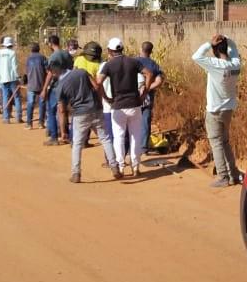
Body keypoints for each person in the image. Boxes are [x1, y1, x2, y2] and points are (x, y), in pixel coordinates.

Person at [55, 64, 122, 183]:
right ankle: (114, 167)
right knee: (105, 139)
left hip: (79, 114)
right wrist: (103, 99)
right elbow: (96, 86)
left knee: (77, 144)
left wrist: (63, 131)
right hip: (96, 109)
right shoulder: (81, 72)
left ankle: (76, 173)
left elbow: (61, 110)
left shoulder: (60, 86)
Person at [97, 38, 152, 176]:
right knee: (135, 136)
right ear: (122, 49)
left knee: (119, 137)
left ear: (110, 51)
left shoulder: (108, 65)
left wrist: (106, 98)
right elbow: (149, 74)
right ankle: (135, 167)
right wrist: (144, 93)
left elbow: (98, 82)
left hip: (117, 106)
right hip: (134, 104)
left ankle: (121, 167)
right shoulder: (133, 62)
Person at [193, 34, 242, 187]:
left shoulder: (214, 64)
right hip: (228, 109)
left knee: (216, 143)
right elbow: (234, 48)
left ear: (215, 50)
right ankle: (233, 173)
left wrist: (209, 43)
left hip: (214, 111)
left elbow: (196, 56)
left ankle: (223, 176)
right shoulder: (235, 64)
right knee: (225, 141)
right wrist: (226, 39)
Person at [41, 35, 73, 146]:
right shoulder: (67, 54)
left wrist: (44, 89)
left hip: (56, 87)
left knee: (51, 110)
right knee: (64, 111)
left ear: (50, 44)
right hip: (67, 85)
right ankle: (66, 135)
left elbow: (50, 73)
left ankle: (54, 137)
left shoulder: (54, 56)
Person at [136, 41, 165, 155]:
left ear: (140, 49)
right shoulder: (154, 65)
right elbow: (159, 81)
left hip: (133, 96)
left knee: (130, 121)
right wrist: (147, 89)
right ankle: (143, 148)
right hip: (147, 97)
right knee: (145, 121)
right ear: (151, 51)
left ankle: (129, 148)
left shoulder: (133, 62)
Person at [0, 36, 22, 124]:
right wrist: (18, 77)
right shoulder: (12, 53)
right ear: (11, 45)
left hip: (3, 78)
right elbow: (14, 67)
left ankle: (6, 118)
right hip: (13, 78)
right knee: (16, 97)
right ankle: (18, 117)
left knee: (5, 97)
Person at [24, 43, 48, 129]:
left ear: (31, 50)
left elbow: (26, 72)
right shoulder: (43, 58)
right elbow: (47, 71)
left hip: (31, 84)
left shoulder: (28, 59)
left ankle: (29, 124)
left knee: (30, 103)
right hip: (42, 84)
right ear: (39, 49)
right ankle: (41, 123)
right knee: (42, 103)